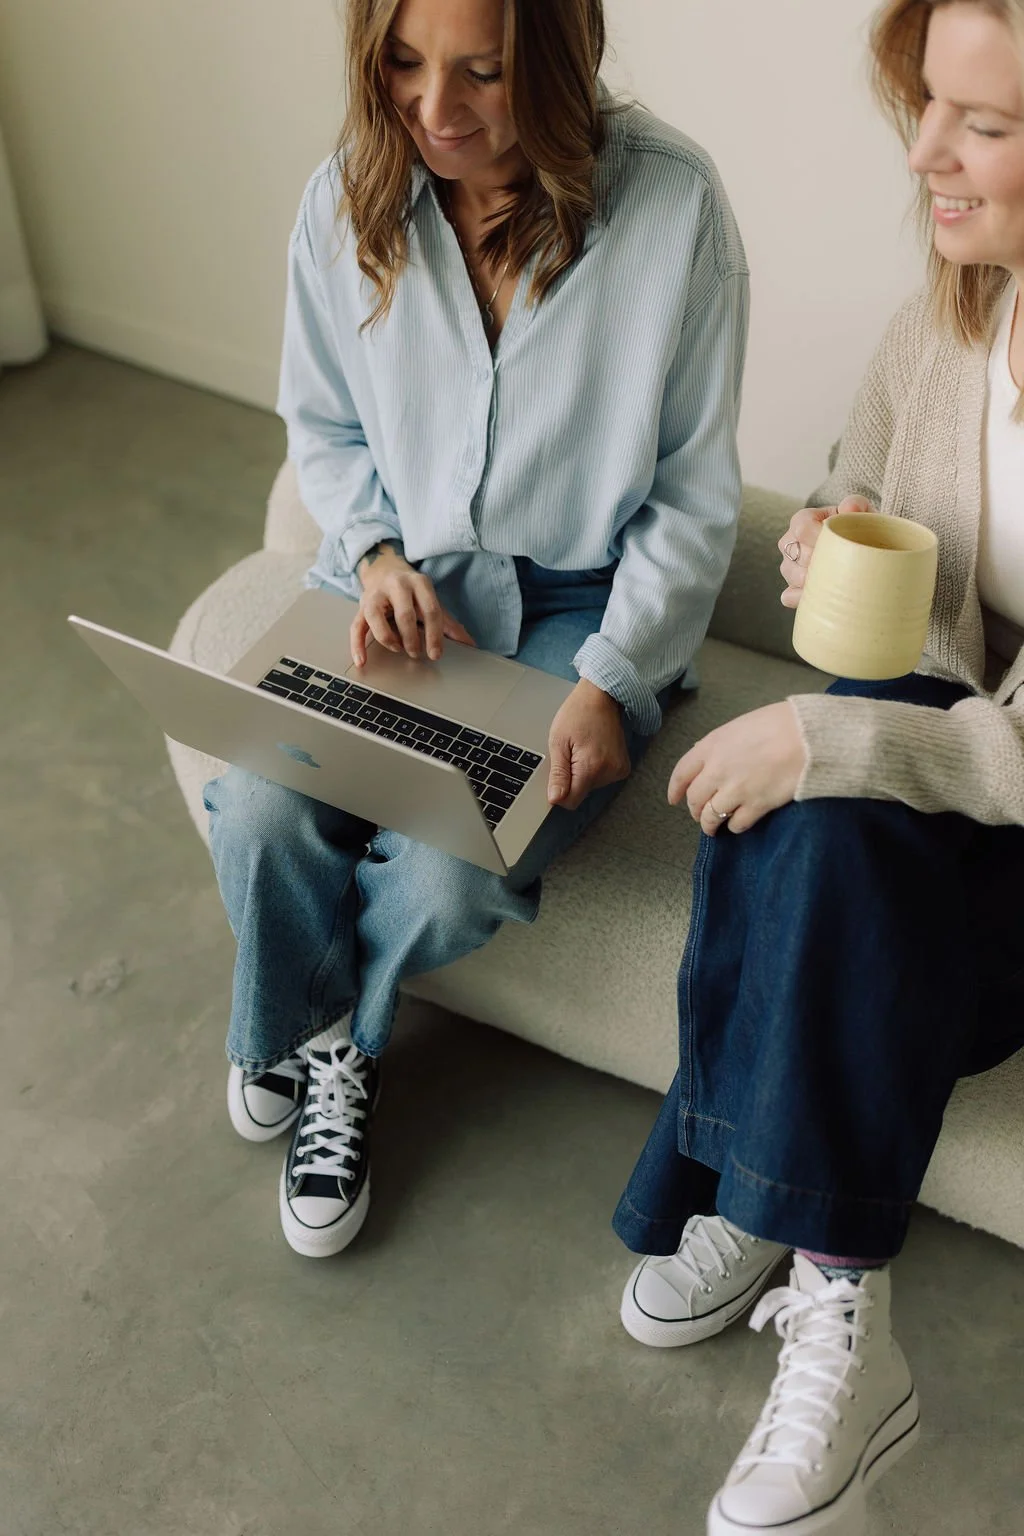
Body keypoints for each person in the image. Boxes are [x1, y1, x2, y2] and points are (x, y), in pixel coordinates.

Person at [203, 0, 749, 1259]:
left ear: (556, 61)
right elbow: (325, 426)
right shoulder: (345, 196)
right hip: (394, 589)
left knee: (454, 869)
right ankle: (317, 1029)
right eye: (402, 62)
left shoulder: (674, 212)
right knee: (258, 802)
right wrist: (377, 551)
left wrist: (613, 681)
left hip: (575, 611)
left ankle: (314, 1031)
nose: (434, 110)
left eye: (482, 73)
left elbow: (692, 495)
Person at [611, 2, 1024, 1532]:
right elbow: (864, 469)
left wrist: (833, 730)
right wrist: (825, 527)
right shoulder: (951, 320)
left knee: (820, 778)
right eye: (927, 104)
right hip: (953, 777)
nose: (924, 150)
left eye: (982, 124)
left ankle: (817, 1275)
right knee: (802, 809)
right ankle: (782, 1209)